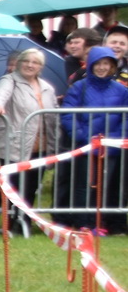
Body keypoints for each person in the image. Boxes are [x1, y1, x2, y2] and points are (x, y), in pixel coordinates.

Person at [0, 48, 59, 236]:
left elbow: (54, 114)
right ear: (19, 63)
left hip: (41, 145)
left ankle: (23, 222)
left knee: (31, 187)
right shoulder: (9, 80)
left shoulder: (47, 87)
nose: (30, 65)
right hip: (15, 145)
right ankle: (5, 224)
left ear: (40, 67)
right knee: (12, 187)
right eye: (26, 60)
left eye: (35, 62)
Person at [59, 47, 128, 235]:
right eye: (98, 63)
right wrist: (82, 136)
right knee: (84, 185)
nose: (102, 67)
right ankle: (85, 223)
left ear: (113, 66)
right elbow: (68, 115)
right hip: (86, 146)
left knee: (105, 186)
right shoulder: (79, 87)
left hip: (111, 148)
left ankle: (102, 223)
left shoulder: (121, 90)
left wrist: (116, 138)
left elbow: (126, 118)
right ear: (91, 65)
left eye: (106, 63)